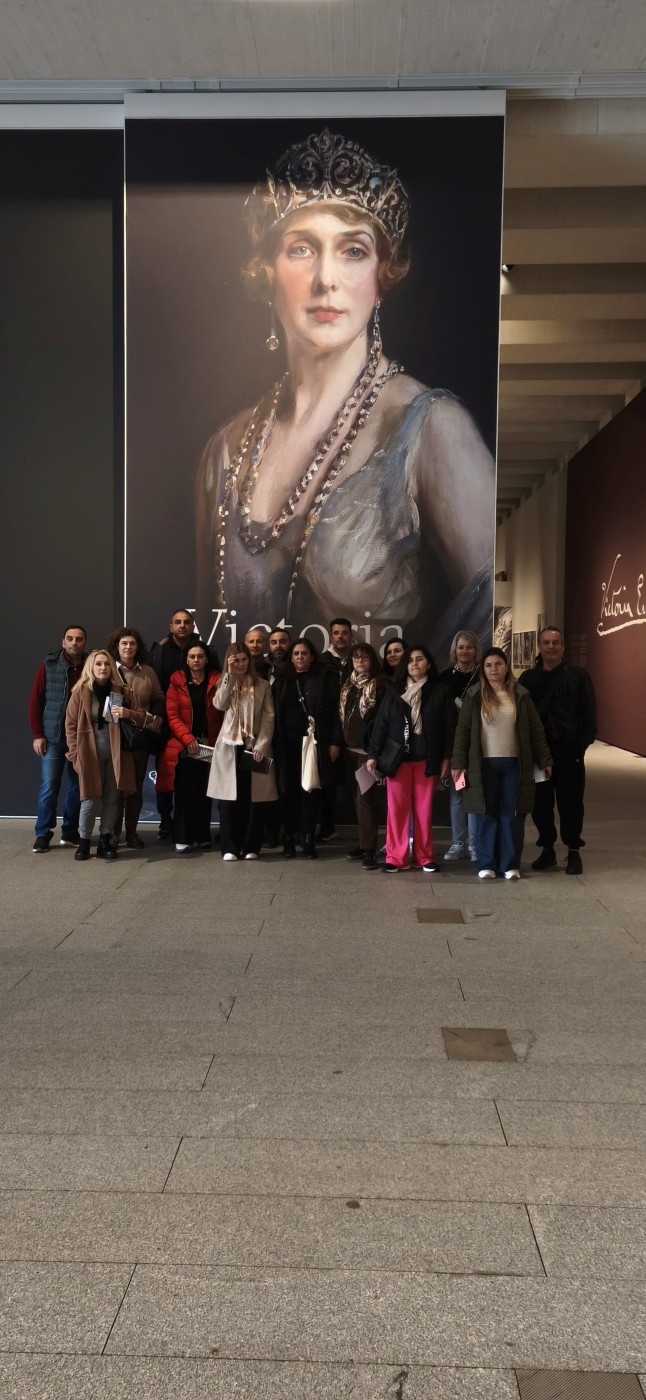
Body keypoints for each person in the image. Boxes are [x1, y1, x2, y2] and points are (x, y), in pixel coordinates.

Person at [195, 127, 494, 660]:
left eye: (353, 251)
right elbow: (207, 633)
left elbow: (492, 616)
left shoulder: (432, 426)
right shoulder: (225, 451)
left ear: (382, 276)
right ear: (267, 272)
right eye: (302, 249)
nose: (325, 279)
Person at [451, 647, 552, 881]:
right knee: (486, 815)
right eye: (488, 665)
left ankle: (510, 864)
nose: (493, 669)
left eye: (498, 664)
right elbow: (462, 733)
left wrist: (545, 759)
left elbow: (536, 730)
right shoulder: (474, 696)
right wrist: (458, 762)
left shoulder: (521, 695)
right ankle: (487, 863)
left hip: (514, 766)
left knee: (512, 816)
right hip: (483, 766)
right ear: (483, 670)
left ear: (506, 667)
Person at [367, 645, 455, 873]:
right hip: (398, 760)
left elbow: (449, 727)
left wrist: (447, 756)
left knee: (423, 812)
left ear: (428, 663)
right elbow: (381, 724)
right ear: (405, 666)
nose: (415, 663)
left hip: (428, 759)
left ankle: (424, 857)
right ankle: (396, 857)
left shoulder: (441, 691)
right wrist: (373, 754)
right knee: (397, 811)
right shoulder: (394, 691)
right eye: (410, 660)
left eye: (420, 659)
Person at [520, 625, 597, 875]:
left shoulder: (578, 677)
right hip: (539, 754)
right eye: (546, 642)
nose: (551, 646)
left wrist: (580, 747)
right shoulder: (528, 679)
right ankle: (547, 850)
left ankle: (573, 851)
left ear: (563, 647)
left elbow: (589, 714)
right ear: (539, 646)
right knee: (541, 804)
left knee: (571, 803)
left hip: (569, 752)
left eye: (555, 642)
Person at [65, 650, 145, 862]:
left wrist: (127, 713)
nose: (103, 668)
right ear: (91, 667)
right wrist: (74, 754)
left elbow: (140, 717)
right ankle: (84, 841)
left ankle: (105, 840)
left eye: (107, 664)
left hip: (117, 754)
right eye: (98, 664)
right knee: (89, 799)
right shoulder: (80, 692)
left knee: (112, 799)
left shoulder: (122, 691)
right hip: (88, 755)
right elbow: (70, 725)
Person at [207, 642, 277, 860]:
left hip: (253, 746)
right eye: (235, 660)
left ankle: (251, 847)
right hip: (229, 747)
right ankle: (230, 847)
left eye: (244, 659)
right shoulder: (224, 682)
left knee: (254, 799)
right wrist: (229, 675)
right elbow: (219, 704)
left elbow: (268, 718)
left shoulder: (262, 685)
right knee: (229, 800)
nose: (240, 664)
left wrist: (261, 746)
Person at [274, 636, 341, 859]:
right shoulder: (281, 680)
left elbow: (334, 713)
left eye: (304, 653)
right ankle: (289, 839)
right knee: (287, 793)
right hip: (286, 746)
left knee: (310, 792)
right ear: (290, 658)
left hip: (314, 745)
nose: (300, 657)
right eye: (296, 654)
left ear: (312, 657)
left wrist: (334, 741)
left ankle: (308, 838)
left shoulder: (323, 679)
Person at [156, 640, 222, 853]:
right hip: (184, 746)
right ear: (186, 659)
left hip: (210, 745)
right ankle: (182, 837)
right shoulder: (176, 681)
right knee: (184, 793)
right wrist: (188, 739)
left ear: (207, 659)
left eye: (200, 656)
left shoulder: (218, 680)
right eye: (192, 656)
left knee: (204, 792)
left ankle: (202, 835)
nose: (196, 660)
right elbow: (172, 715)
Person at [29, 625, 87, 852]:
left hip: (80, 739)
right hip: (53, 738)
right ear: (63, 642)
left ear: (84, 643)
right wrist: (37, 734)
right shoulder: (49, 664)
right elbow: (35, 700)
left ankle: (70, 832)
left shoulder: (91, 664)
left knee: (76, 789)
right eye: (70, 639)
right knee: (49, 788)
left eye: (79, 639)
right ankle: (43, 834)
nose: (74, 643)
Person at [106, 627, 165, 848]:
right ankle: (112, 834)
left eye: (132, 643)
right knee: (117, 788)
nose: (128, 647)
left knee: (136, 789)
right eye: (124, 643)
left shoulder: (147, 671)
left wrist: (158, 713)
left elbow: (159, 696)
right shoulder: (108, 669)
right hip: (115, 736)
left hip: (139, 736)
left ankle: (131, 833)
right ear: (116, 647)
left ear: (138, 647)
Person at [338, 641, 391, 870]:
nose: (359, 661)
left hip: (367, 754)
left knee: (366, 801)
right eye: (356, 657)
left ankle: (370, 849)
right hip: (349, 751)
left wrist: (374, 752)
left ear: (372, 660)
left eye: (364, 657)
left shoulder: (381, 684)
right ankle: (363, 843)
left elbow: (383, 721)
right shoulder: (348, 685)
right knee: (357, 800)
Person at [148, 609, 200, 840]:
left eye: (187, 622)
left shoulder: (203, 650)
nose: (182, 626)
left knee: (192, 777)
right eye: (177, 622)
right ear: (171, 626)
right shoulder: (158, 651)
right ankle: (165, 820)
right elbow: (153, 688)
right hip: (164, 724)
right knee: (165, 773)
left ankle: (190, 821)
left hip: (194, 724)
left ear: (193, 626)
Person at [439, 629, 482, 862]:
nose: (464, 651)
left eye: (469, 647)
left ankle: (474, 845)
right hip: (455, 745)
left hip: (478, 744)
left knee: (473, 795)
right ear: (454, 650)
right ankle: (458, 844)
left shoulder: (484, 675)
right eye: (461, 647)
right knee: (456, 797)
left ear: (476, 650)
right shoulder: (445, 678)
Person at [317, 617, 354, 839]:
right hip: (328, 729)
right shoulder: (321, 662)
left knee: (359, 782)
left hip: (355, 730)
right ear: (331, 636)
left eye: (344, 633)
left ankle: (366, 833)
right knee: (326, 782)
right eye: (337, 633)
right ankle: (327, 827)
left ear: (351, 636)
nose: (341, 637)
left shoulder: (359, 660)